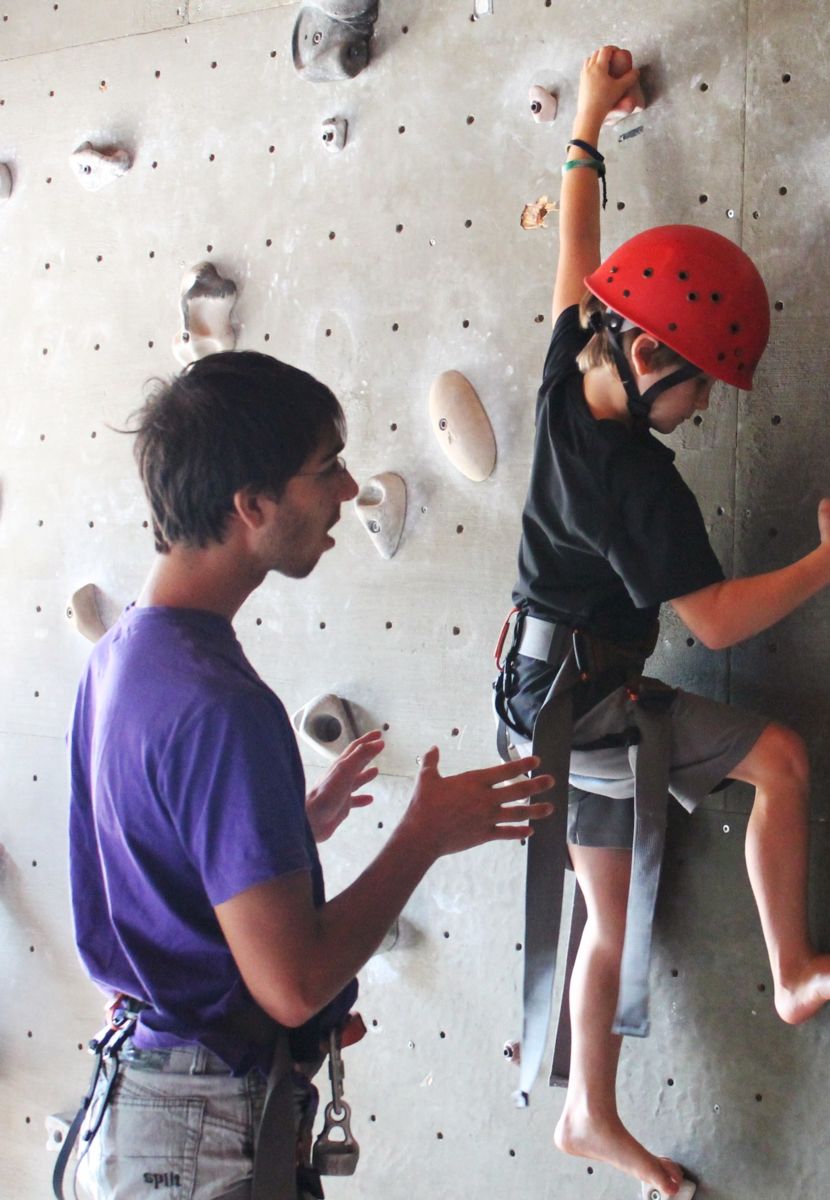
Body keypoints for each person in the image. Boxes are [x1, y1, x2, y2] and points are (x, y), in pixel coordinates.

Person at [493, 46, 830, 1199]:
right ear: (650, 350)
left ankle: (776, 977)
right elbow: (715, 623)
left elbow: (577, 243)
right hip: (585, 709)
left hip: (552, 688)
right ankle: (593, 1110)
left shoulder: (575, 352)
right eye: (703, 381)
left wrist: (588, 117)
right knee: (612, 923)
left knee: (767, 768)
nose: (705, 404)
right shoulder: (636, 487)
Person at [63, 351, 553, 1199]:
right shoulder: (220, 706)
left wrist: (290, 829)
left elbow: (154, 855)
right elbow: (292, 987)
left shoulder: (120, 659)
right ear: (252, 506)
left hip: (147, 1114)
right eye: (324, 469)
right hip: (201, 1140)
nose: (348, 487)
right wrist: (424, 836)